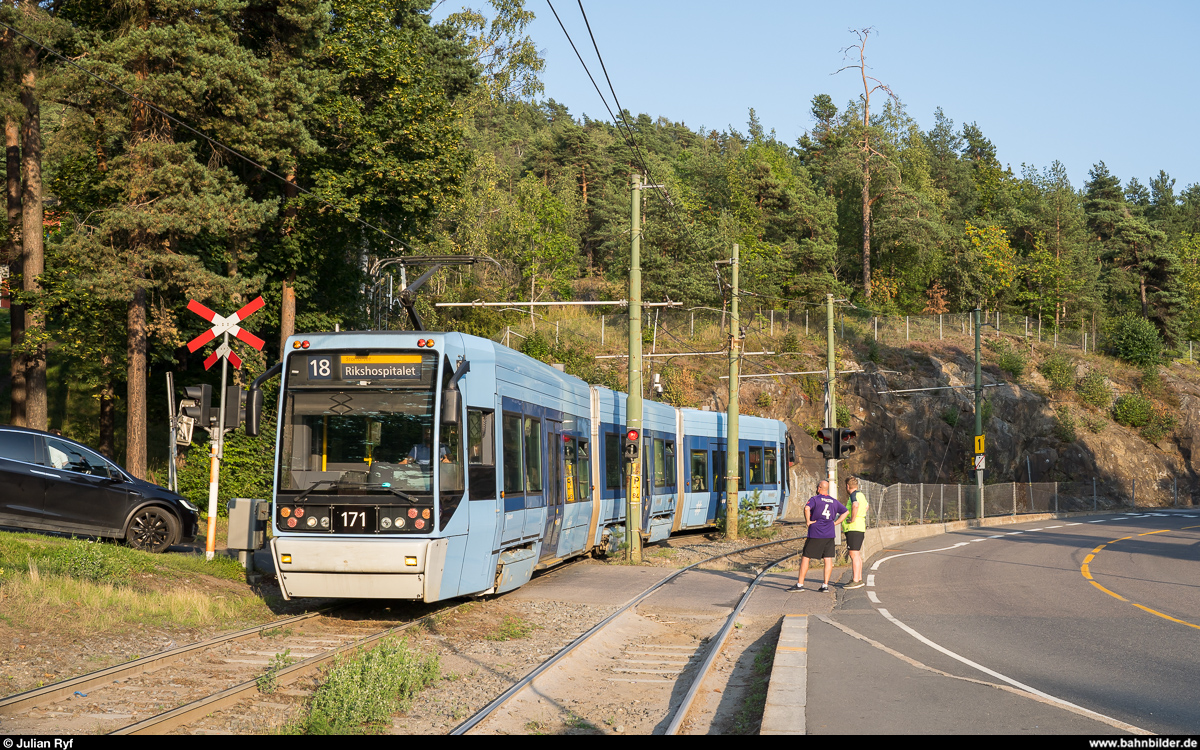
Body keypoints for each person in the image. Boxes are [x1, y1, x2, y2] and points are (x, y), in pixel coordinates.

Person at [791, 479, 848, 593]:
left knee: (806, 557)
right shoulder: (834, 501)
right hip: (829, 533)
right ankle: (825, 585)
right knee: (828, 559)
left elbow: (807, 508)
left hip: (816, 532)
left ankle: (800, 584)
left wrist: (808, 521)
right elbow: (845, 512)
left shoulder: (815, 499)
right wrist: (836, 523)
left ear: (819, 488)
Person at [842, 476, 869, 589]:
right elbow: (867, 506)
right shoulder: (861, 495)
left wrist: (852, 518)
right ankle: (858, 578)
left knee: (853, 554)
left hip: (853, 527)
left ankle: (855, 580)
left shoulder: (853, 496)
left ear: (848, 486)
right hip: (860, 527)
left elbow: (855, 505)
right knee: (856, 554)